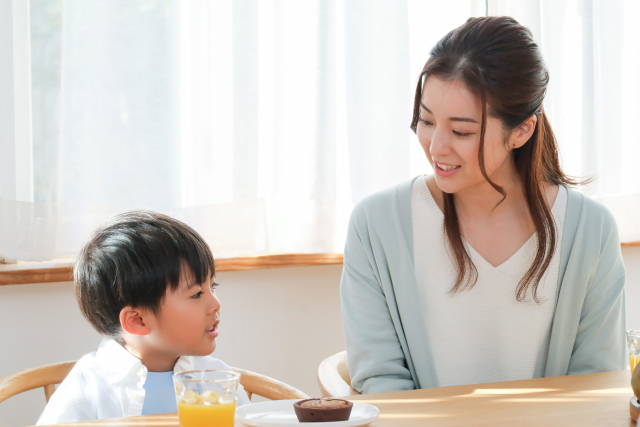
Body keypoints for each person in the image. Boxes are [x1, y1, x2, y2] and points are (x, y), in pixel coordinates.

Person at [340, 16, 626, 394]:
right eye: (426, 120)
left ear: (521, 130)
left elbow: (595, 385)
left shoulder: (590, 230)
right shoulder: (376, 226)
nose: (436, 146)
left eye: (461, 131)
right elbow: (382, 381)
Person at [37, 211, 250, 424]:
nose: (216, 304)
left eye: (213, 286)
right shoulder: (87, 388)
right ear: (137, 321)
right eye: (196, 294)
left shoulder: (215, 378)